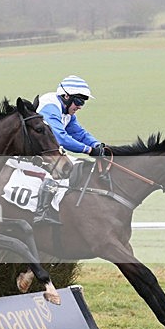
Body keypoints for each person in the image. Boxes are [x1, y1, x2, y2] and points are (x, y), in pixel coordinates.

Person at [33, 75, 108, 224]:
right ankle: (41, 212)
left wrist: (98, 145)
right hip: (32, 151)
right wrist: (89, 150)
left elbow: (79, 133)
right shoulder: (50, 105)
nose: (80, 106)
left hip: (45, 150)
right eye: (79, 101)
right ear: (66, 96)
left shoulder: (66, 111)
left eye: (83, 103)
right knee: (65, 166)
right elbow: (60, 138)